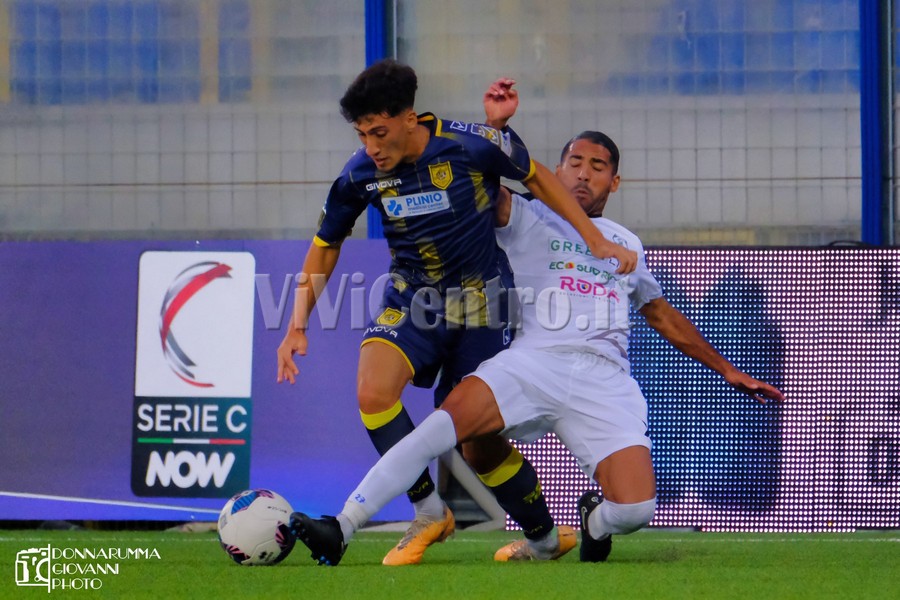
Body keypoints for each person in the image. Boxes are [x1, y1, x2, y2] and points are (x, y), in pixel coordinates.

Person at [286, 82, 785, 566]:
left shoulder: (626, 243)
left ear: (615, 183)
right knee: (439, 429)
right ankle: (346, 523)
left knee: (635, 511)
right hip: (529, 362)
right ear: (556, 171)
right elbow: (469, 174)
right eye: (574, 163)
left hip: (604, 379)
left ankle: (588, 524)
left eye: (598, 167)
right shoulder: (524, 214)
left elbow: (660, 313)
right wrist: (496, 129)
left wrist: (727, 369)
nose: (583, 175)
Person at [276, 59, 637, 566]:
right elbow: (326, 243)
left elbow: (537, 178)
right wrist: (296, 324)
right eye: (362, 135)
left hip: (483, 303)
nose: (372, 147)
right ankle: (429, 510)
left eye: (379, 132)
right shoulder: (360, 173)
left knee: (478, 444)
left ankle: (543, 537)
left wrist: (594, 239)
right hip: (414, 299)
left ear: (409, 118)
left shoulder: (469, 144)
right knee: (373, 392)